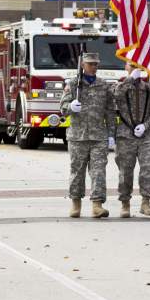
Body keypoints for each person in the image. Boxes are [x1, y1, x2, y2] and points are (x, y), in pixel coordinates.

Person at [60, 53, 116, 218]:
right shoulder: (73, 83)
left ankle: (97, 205)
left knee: (98, 171)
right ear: (83, 65)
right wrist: (71, 106)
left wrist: (111, 134)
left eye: (96, 64)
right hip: (78, 136)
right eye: (90, 64)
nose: (94, 67)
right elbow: (62, 108)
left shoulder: (103, 85)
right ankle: (75, 204)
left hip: (99, 136)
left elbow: (110, 111)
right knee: (77, 172)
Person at [113, 62, 150, 218]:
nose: (135, 68)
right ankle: (125, 203)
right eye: (132, 65)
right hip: (125, 135)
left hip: (144, 136)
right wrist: (130, 80)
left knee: (147, 168)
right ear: (126, 67)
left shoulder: (147, 88)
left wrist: (146, 126)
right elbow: (116, 95)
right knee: (125, 172)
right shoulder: (121, 85)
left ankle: (146, 202)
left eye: (138, 65)